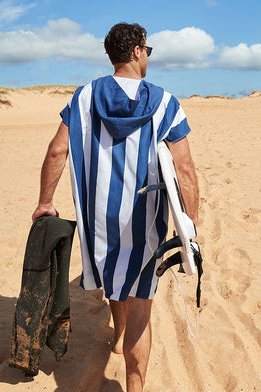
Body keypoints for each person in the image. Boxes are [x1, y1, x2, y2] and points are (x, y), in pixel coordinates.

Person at [32, 22, 199, 392]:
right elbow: (184, 169)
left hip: (98, 219)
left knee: (112, 275)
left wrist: (45, 202)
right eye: (148, 51)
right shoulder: (166, 102)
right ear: (137, 51)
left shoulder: (84, 97)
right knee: (141, 301)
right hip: (144, 220)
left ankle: (119, 334)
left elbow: (58, 149)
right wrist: (189, 224)